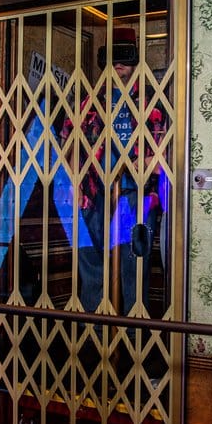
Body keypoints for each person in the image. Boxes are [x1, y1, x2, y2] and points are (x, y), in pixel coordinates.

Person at [60, 27, 165, 317]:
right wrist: (75, 182)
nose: (118, 64)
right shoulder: (89, 102)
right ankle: (94, 334)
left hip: (134, 194)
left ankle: (133, 335)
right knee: (92, 263)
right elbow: (68, 141)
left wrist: (149, 178)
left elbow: (161, 149)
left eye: (125, 56)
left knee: (132, 267)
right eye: (112, 56)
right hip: (94, 193)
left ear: (136, 60)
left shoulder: (152, 102)